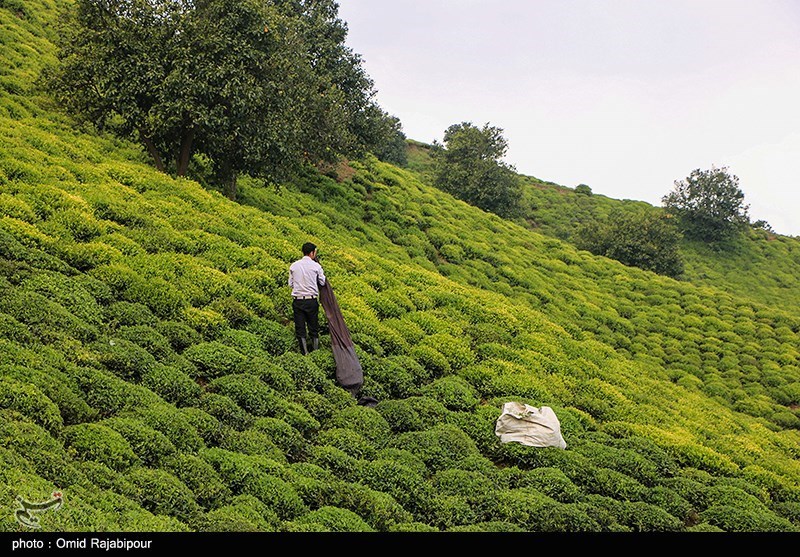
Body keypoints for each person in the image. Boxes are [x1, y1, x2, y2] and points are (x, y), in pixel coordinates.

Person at [288, 242, 326, 355]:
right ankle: (315, 353)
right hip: (311, 300)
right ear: (312, 253)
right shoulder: (316, 266)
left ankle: (304, 353)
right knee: (313, 327)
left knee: (300, 328)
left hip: (298, 300)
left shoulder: (294, 266)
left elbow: (290, 284)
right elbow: (322, 282)